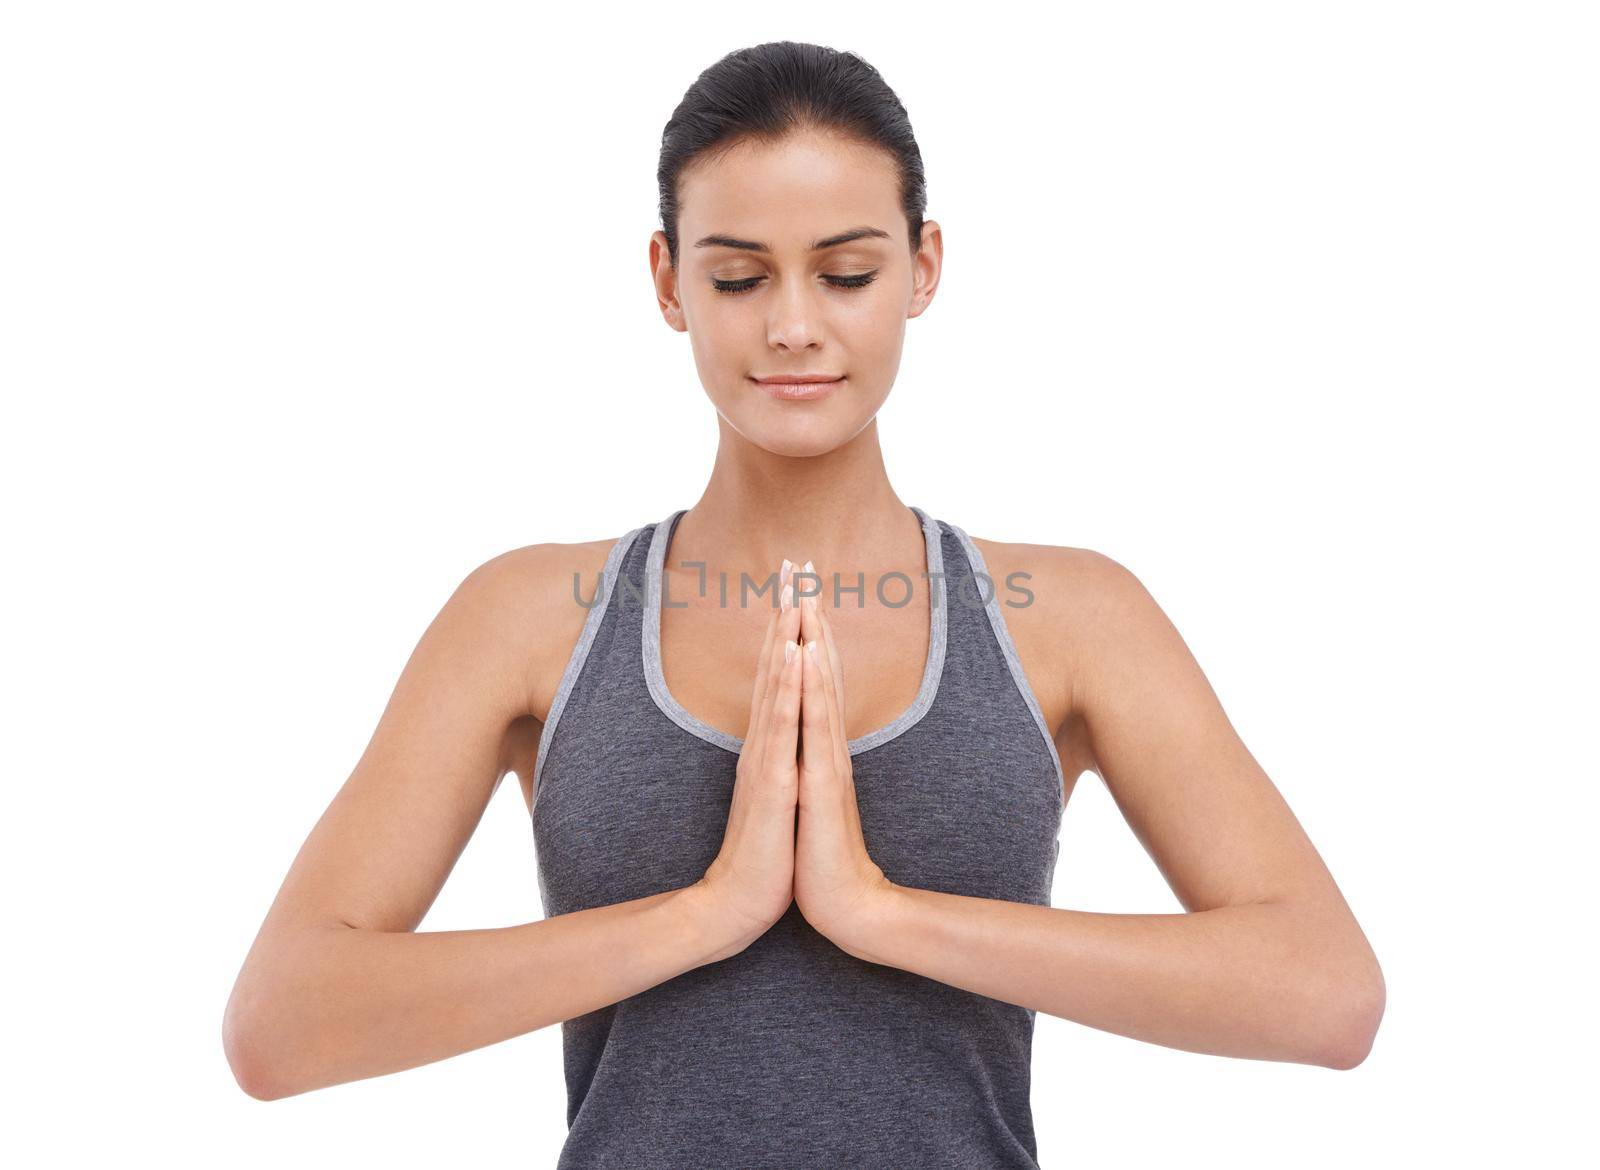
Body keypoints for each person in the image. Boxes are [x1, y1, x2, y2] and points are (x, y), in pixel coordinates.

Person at [222, 39, 1385, 1167]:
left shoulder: (1070, 617)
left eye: (846, 273)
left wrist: (881, 914)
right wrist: (704, 914)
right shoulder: (531, 618)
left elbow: (1325, 995)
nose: (791, 324)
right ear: (668, 281)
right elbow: (281, 1025)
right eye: (736, 276)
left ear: (923, 268)